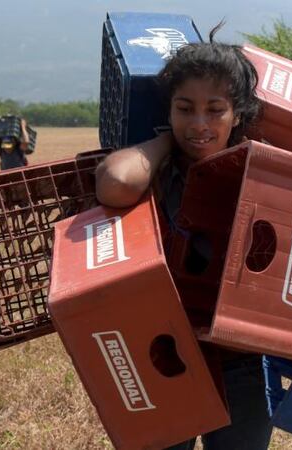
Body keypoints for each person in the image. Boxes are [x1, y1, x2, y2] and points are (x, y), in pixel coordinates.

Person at [95, 25, 272, 450]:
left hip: (240, 363)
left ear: (238, 115)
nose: (199, 124)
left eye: (215, 111)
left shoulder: (261, 176)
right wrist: (162, 144)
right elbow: (116, 182)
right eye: (184, 108)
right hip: (165, 354)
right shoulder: (159, 172)